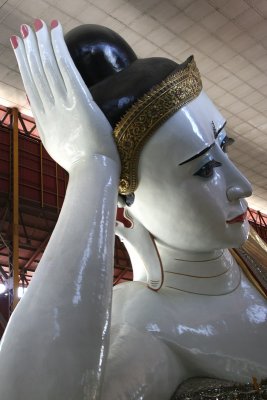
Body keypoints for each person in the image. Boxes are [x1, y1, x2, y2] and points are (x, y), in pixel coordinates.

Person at [0, 18, 266, 400]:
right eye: (204, 169)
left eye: (226, 145)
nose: (243, 185)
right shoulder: (148, 328)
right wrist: (93, 167)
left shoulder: (250, 254)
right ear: (124, 212)